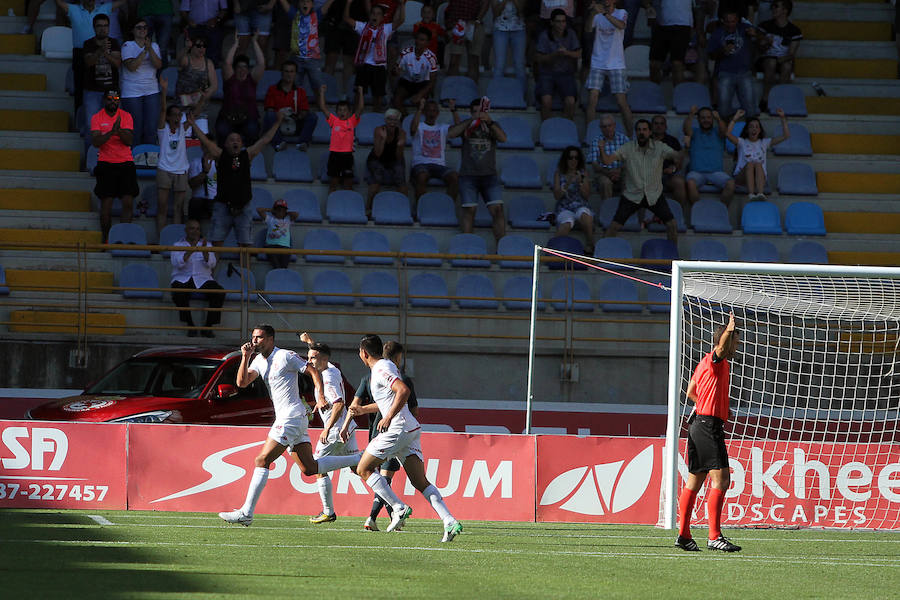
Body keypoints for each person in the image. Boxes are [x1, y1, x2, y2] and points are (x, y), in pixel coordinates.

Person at [219, 325, 363, 526]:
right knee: (309, 468)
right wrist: (245, 357)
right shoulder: (258, 361)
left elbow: (312, 370)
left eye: (259, 338)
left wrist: (320, 395)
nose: (254, 341)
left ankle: (246, 512)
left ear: (270, 339)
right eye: (253, 338)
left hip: (291, 417)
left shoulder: (285, 356)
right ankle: (358, 458)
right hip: (289, 418)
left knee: (262, 460)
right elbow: (242, 383)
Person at [347, 334, 462, 542]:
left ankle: (398, 508)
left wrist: (388, 417)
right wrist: (364, 410)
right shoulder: (385, 367)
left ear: (363, 353)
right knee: (420, 482)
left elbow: (403, 391)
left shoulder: (380, 370)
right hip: (410, 429)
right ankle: (450, 521)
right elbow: (389, 399)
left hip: (397, 428)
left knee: (362, 468)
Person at [676, 311, 742, 553]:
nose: (736, 346)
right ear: (725, 340)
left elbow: (691, 391)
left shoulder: (703, 363)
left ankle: (684, 535)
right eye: (736, 341)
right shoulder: (717, 360)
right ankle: (714, 536)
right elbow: (722, 349)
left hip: (697, 424)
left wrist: (714, 405)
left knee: (695, 480)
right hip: (707, 426)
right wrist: (729, 330)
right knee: (722, 480)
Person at [340, 340, 418, 531]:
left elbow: (354, 406)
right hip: (393, 430)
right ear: (398, 357)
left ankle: (384, 515)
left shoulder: (369, 376)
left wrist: (345, 424)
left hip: (382, 430)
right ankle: (387, 513)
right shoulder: (399, 377)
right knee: (383, 475)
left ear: (364, 353)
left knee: (370, 471)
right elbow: (411, 407)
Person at [187, 109, 284, 248]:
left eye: (238, 140)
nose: (235, 142)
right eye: (231, 140)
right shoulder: (221, 155)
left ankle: (246, 270)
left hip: (244, 206)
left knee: (245, 247)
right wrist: (193, 125)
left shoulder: (248, 155)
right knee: (215, 244)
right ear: (225, 144)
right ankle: (211, 269)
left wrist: (278, 122)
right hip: (222, 205)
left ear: (242, 144)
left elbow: (265, 140)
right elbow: (207, 143)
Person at [596, 118, 682, 242]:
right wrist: (602, 149)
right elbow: (607, 161)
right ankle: (600, 254)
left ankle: (674, 257)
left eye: (644, 130)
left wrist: (686, 147)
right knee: (614, 226)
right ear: (636, 132)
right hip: (632, 195)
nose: (641, 132)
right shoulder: (628, 147)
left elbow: (677, 156)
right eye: (639, 130)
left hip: (654, 195)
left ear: (650, 132)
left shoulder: (660, 147)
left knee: (672, 225)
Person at [303, 339, 358, 524]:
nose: (309, 362)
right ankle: (395, 506)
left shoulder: (328, 377)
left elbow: (339, 404)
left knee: (317, 467)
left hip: (335, 431)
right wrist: (309, 341)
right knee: (361, 470)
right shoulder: (332, 368)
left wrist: (326, 429)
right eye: (309, 358)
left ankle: (328, 512)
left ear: (324, 359)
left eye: (313, 358)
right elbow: (319, 352)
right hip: (348, 427)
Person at [448, 98, 508, 242]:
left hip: (489, 176)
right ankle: (468, 248)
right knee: (469, 211)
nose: (478, 114)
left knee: (498, 211)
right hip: (468, 176)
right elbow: (451, 133)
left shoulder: (492, 125)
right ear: (470, 112)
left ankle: (501, 249)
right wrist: (470, 121)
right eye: (474, 111)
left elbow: (503, 138)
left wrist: (489, 122)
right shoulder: (467, 126)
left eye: (480, 111)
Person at [91, 89, 138, 242]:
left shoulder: (126, 116)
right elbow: (96, 142)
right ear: (104, 100)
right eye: (110, 98)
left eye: (116, 98)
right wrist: (111, 132)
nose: (113, 101)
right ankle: (106, 239)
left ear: (119, 100)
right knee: (106, 206)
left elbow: (129, 141)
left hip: (125, 162)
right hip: (106, 163)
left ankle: (123, 238)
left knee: (128, 203)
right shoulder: (97, 117)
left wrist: (118, 132)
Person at [344, 0, 405, 113]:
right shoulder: (363, 27)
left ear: (382, 17)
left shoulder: (386, 28)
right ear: (369, 15)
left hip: (379, 66)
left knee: (378, 97)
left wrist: (402, 5)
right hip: (364, 65)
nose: (375, 16)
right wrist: (348, 3)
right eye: (373, 13)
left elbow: (401, 20)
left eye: (378, 14)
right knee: (359, 93)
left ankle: (375, 119)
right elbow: (347, 19)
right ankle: (355, 118)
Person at [585, 0, 634, 134]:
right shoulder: (597, 14)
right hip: (597, 62)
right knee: (592, 99)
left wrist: (605, 13)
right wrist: (592, 13)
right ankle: (590, 136)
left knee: (621, 101)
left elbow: (621, 25)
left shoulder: (621, 12)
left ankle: (631, 136)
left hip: (616, 63)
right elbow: (588, 29)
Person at [170, 219, 224, 337]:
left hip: (203, 278)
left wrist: (205, 253)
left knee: (219, 293)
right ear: (186, 230)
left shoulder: (207, 245)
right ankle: (190, 325)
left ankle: (208, 327)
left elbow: (212, 264)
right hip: (182, 278)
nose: (195, 231)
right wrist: (191, 249)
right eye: (192, 228)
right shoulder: (177, 245)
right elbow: (177, 263)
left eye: (197, 229)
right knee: (178, 292)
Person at [726, 108, 790, 202]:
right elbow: (727, 134)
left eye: (756, 127)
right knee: (751, 163)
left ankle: (760, 193)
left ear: (760, 130)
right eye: (751, 127)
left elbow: (786, 136)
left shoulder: (764, 142)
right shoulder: (742, 142)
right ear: (747, 130)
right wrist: (735, 119)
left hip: (759, 178)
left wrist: (783, 118)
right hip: (742, 178)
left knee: (758, 163)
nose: (754, 129)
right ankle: (751, 195)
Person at [683, 105, 735, 213]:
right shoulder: (694, 132)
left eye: (708, 117)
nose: (706, 120)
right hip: (697, 172)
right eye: (702, 117)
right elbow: (686, 129)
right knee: (690, 183)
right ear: (698, 119)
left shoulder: (718, 132)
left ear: (712, 119)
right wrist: (691, 114)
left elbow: (724, 130)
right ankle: (699, 212)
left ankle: (720, 211)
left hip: (716, 173)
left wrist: (718, 118)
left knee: (731, 184)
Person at [708, 10, 759, 119]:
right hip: (725, 73)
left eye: (733, 21)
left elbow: (765, 39)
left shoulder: (744, 28)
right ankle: (726, 133)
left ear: (738, 21)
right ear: (722, 21)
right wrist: (723, 51)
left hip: (744, 72)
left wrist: (756, 35)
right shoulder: (717, 33)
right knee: (723, 110)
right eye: (727, 21)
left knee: (750, 109)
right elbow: (711, 55)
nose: (730, 24)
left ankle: (750, 134)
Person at [216, 32, 266, 144]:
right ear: (235, 69)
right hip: (228, 118)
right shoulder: (230, 79)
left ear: (248, 69)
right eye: (239, 67)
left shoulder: (252, 80)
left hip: (248, 118)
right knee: (222, 130)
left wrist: (254, 42)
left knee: (252, 130)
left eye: (245, 67)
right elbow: (227, 63)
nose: (242, 69)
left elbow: (261, 63)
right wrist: (236, 44)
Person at [156, 77, 189, 234]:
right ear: (169, 117)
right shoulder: (163, 130)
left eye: (179, 115)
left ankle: (176, 241)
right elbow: (162, 109)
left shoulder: (183, 128)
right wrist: (164, 91)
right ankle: (161, 240)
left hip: (181, 170)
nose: (177, 117)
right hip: (164, 169)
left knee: (178, 208)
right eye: (174, 115)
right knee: (162, 207)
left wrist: (204, 96)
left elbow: (196, 112)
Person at [120, 19, 162, 145]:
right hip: (131, 91)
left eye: (145, 27)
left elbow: (158, 65)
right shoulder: (127, 45)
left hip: (151, 90)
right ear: (132, 30)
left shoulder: (154, 46)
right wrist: (144, 51)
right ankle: (133, 159)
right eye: (139, 27)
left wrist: (150, 49)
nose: (142, 30)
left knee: (151, 128)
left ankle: (148, 159)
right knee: (135, 128)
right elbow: (132, 67)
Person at [410, 98, 460, 203]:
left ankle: (448, 206)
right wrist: (419, 109)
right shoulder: (419, 126)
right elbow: (413, 129)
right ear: (424, 112)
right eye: (428, 110)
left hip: (439, 165)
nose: (431, 113)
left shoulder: (443, 127)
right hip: (421, 164)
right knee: (422, 176)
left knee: (455, 177)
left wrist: (453, 110)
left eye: (434, 111)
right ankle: (421, 208)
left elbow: (459, 128)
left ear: (437, 113)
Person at [756, 0, 802, 112]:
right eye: (772, 6)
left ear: (785, 10)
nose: (773, 9)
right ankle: (765, 99)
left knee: (787, 66)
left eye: (776, 6)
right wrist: (765, 43)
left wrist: (781, 59)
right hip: (766, 59)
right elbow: (759, 49)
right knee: (771, 62)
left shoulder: (794, 30)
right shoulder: (765, 26)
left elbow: (791, 54)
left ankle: (779, 99)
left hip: (782, 60)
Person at [535, 9, 580, 121]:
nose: (561, 24)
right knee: (546, 100)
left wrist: (567, 53)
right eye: (558, 21)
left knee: (570, 101)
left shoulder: (571, 34)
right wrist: (554, 55)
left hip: (566, 73)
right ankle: (546, 129)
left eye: (563, 21)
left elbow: (578, 53)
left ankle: (566, 128)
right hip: (547, 73)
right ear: (552, 22)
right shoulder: (544, 35)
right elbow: (539, 58)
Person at [318, 84, 365, 192]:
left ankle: (348, 206)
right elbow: (323, 107)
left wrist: (361, 93)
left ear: (349, 112)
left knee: (348, 184)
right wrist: (322, 93)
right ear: (336, 112)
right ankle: (331, 205)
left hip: (347, 156)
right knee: (333, 184)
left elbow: (360, 108)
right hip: (334, 155)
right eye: (339, 110)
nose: (342, 112)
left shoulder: (352, 121)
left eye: (344, 110)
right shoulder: (334, 121)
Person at [263, 60, 317, 151]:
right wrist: (281, 115)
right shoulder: (272, 89)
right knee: (269, 116)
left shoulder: (301, 91)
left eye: (292, 71)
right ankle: (278, 143)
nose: (289, 74)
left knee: (312, 116)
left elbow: (304, 110)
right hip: (278, 124)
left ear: (295, 74)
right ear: (282, 73)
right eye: (286, 71)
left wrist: (296, 116)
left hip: (295, 122)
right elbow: (269, 110)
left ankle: (302, 143)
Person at [81, 14, 121, 134]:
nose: (102, 29)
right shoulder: (88, 44)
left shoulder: (114, 43)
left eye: (105, 26)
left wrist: (106, 53)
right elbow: (89, 62)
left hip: (112, 91)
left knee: (115, 126)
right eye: (99, 26)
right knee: (91, 125)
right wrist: (100, 50)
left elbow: (117, 64)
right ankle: (90, 153)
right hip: (92, 90)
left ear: (109, 27)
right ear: (94, 27)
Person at [553, 146, 595, 253]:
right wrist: (568, 183)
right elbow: (557, 195)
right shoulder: (559, 173)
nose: (573, 160)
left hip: (580, 205)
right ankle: (551, 250)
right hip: (564, 207)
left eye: (576, 158)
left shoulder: (583, 173)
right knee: (566, 224)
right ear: (566, 159)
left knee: (586, 217)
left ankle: (590, 245)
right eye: (570, 158)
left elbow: (586, 195)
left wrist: (580, 182)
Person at [366, 109, 408, 215]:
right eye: (390, 119)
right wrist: (383, 139)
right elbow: (378, 153)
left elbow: (399, 157)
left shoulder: (402, 133)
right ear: (385, 120)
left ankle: (402, 208)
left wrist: (399, 146)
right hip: (377, 158)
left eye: (395, 120)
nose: (392, 123)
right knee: (377, 176)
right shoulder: (378, 130)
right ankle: (369, 208)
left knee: (400, 175)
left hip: (394, 159)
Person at [175, 32, 217, 133]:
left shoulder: (209, 63)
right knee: (184, 137)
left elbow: (214, 86)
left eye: (204, 46)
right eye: (198, 46)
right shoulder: (186, 59)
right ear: (192, 47)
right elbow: (179, 60)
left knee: (202, 137)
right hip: (182, 107)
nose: (202, 49)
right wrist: (186, 48)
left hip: (200, 108)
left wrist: (200, 98)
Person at [277, 0, 323, 92]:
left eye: (308, 1)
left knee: (319, 86)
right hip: (296, 58)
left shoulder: (316, 15)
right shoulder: (294, 15)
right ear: (298, 4)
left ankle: (321, 105)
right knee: (294, 86)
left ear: (312, 4)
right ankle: (294, 105)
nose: (305, 4)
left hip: (313, 59)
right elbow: (283, 2)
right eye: (302, 1)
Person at [391, 28, 439, 113]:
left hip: (422, 84)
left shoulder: (431, 58)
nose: (418, 42)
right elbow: (395, 71)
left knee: (422, 104)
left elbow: (432, 81)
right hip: (407, 82)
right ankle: (405, 118)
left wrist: (420, 94)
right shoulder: (405, 53)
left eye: (422, 40)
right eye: (417, 39)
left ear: (428, 43)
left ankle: (418, 123)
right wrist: (395, 71)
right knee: (396, 101)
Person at [650, 114, 687, 222]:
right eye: (656, 123)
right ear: (651, 126)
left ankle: (676, 215)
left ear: (666, 126)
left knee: (680, 182)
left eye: (662, 124)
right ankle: (652, 218)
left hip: (667, 176)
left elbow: (678, 164)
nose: (659, 126)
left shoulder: (672, 141)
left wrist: (673, 168)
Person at [586, 114, 629, 202]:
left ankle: (626, 209)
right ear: (600, 128)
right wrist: (608, 172)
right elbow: (595, 165)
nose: (607, 128)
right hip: (603, 172)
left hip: (622, 171)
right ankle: (607, 210)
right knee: (605, 183)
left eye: (609, 125)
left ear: (614, 125)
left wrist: (619, 170)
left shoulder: (624, 139)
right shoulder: (596, 141)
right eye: (604, 127)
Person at [649, 0, 693, 85]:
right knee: (654, 64)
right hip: (661, 24)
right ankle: (653, 94)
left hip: (683, 25)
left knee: (677, 64)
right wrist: (649, 7)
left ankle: (679, 96)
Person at [445, 0, 489, 82]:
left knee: (474, 60)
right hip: (457, 23)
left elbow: (486, 2)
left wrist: (478, 20)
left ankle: (472, 91)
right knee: (454, 60)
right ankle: (451, 91)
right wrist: (449, 25)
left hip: (474, 24)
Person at [180, 0, 227, 66]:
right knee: (192, 52)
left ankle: (212, 71)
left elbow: (224, 9)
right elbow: (183, 10)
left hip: (212, 27)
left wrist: (217, 19)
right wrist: (188, 20)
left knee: (214, 54)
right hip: (195, 26)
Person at [491, 0, 526, 86]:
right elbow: (495, 13)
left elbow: (522, 11)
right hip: (500, 30)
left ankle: (521, 95)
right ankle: (497, 94)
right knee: (499, 64)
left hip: (519, 29)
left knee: (519, 64)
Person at [256, 198, 297, 269]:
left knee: (284, 267)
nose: (280, 211)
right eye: (278, 209)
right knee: (276, 266)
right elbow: (259, 210)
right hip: (271, 246)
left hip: (285, 247)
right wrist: (271, 210)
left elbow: (296, 214)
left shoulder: (287, 220)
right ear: (275, 210)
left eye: (283, 210)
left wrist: (287, 212)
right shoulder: (270, 219)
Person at [137, 0, 175, 66]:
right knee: (143, 46)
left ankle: (162, 75)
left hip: (161, 10)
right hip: (149, 11)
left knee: (162, 48)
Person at [186, 140, 217, 220]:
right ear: (202, 147)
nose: (209, 149)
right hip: (198, 198)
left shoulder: (221, 163)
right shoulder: (195, 162)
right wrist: (204, 172)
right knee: (195, 203)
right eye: (206, 146)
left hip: (216, 199)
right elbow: (192, 185)